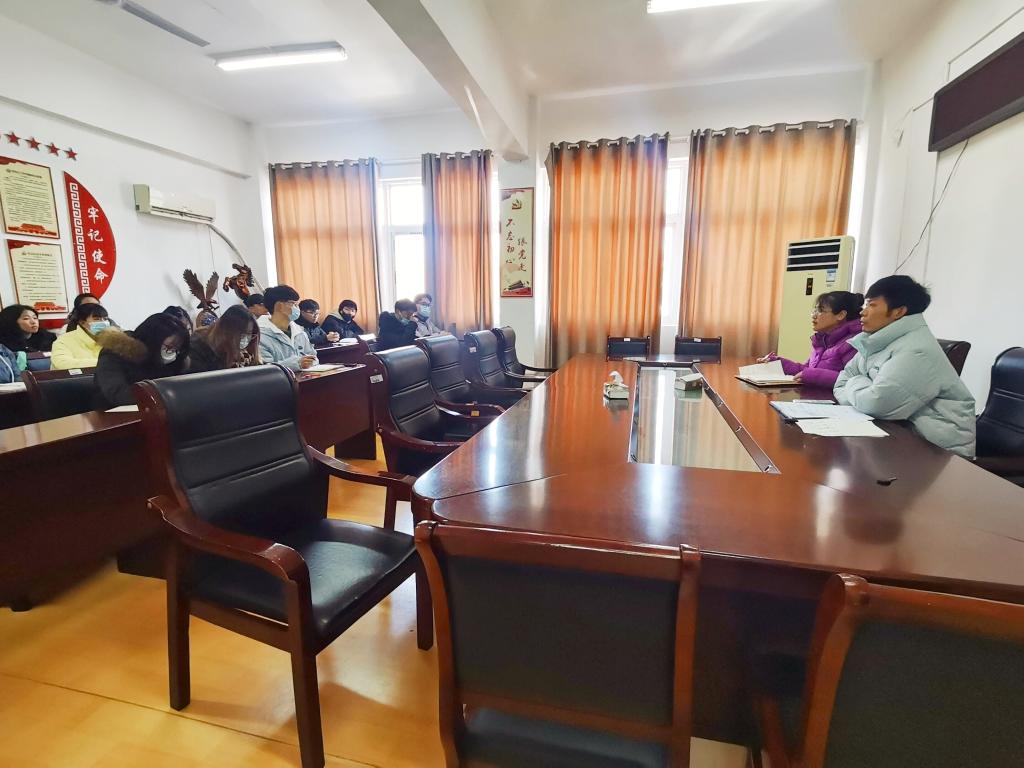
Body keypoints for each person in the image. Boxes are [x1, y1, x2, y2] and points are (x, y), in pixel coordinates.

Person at [834, 275, 975, 458]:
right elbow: (841, 383)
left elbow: (877, 404)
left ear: (899, 311)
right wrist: (862, 392)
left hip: (940, 452)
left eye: (872, 305)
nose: (863, 312)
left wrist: (856, 381)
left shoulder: (918, 350)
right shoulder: (875, 341)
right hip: (899, 435)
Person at [758, 291, 863, 388]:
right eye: (815, 310)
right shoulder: (823, 340)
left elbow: (850, 381)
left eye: (820, 310)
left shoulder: (854, 343)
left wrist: (812, 375)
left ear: (840, 315)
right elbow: (806, 370)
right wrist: (778, 363)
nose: (814, 315)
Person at [93, 312, 190, 409]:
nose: (173, 354)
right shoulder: (115, 352)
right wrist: (165, 397)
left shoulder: (175, 360)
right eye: (170, 347)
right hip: (113, 413)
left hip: (158, 410)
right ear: (154, 339)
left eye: (177, 349)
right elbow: (118, 394)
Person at [257, 285, 318, 370]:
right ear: (279, 306)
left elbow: (313, 356)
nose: (297, 309)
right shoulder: (260, 335)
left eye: (297, 304)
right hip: (280, 379)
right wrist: (296, 364)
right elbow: (264, 369)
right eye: (293, 304)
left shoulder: (299, 332)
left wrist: (311, 361)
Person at [188, 305, 261, 373]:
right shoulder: (197, 349)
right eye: (242, 334)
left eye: (249, 334)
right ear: (227, 332)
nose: (245, 339)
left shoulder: (247, 352)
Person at [51, 303, 112, 369]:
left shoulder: (112, 339)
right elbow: (62, 363)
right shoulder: (64, 340)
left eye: (105, 319)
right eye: (97, 319)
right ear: (82, 323)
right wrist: (105, 363)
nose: (103, 323)